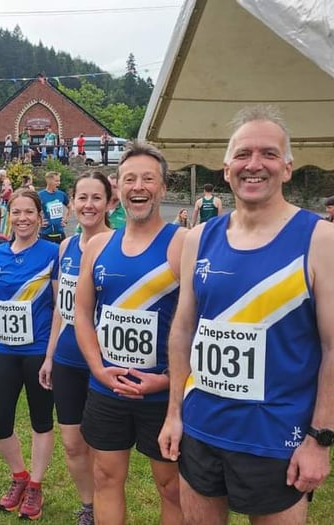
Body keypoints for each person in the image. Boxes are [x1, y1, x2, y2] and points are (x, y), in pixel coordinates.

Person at [158, 106, 334, 525]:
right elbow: (183, 330)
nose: (254, 165)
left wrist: (320, 440)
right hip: (202, 429)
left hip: (277, 438)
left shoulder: (321, 239)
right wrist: (174, 413)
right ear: (226, 168)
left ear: (288, 168)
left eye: (269, 154)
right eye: (243, 154)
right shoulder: (199, 238)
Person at [74, 141, 186, 525]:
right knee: (106, 476)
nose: (138, 187)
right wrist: (98, 369)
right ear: (117, 188)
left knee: (171, 485)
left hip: (161, 395)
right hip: (108, 388)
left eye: (148, 179)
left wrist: (169, 381)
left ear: (163, 187)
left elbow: (198, 324)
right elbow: (83, 314)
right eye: (129, 179)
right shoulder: (99, 245)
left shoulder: (182, 244)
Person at [0, 189, 59, 520]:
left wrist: (51, 355)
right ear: (8, 215)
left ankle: (36, 486)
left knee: (41, 420)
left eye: (29, 212)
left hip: (38, 351)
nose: (22, 218)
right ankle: (19, 476)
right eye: (16, 211)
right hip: (4, 351)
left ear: (40, 217)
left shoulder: (53, 252)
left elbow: (58, 309)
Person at [39, 171, 113, 525]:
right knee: (71, 442)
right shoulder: (66, 246)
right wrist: (50, 356)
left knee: (103, 447)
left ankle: (107, 502)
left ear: (109, 203)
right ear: (71, 204)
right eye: (81, 197)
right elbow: (60, 307)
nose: (88, 205)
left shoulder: (117, 244)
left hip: (103, 361)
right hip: (67, 357)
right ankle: (89, 504)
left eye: (96, 197)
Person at [38, 171, 71, 244]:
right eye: (56, 181)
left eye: (59, 181)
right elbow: (32, 210)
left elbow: (70, 207)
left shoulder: (61, 194)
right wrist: (39, 221)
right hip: (45, 234)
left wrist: (65, 219)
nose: (59, 183)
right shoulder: (40, 195)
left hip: (60, 234)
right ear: (49, 181)